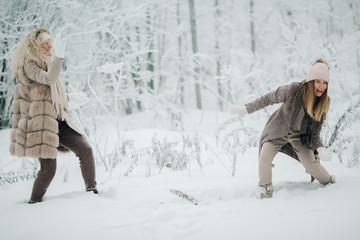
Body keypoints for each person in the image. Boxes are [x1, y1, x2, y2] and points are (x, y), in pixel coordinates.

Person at [10, 27, 97, 204]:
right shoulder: (30, 65)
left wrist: (70, 98)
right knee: (48, 169)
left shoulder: (49, 63)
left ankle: (92, 191)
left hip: (59, 120)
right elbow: (49, 79)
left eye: (51, 42)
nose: (50, 46)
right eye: (46, 43)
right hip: (41, 125)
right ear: (36, 46)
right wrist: (60, 56)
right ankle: (33, 203)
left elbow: (49, 93)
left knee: (86, 150)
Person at [230, 58, 336, 199]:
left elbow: (315, 133)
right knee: (264, 158)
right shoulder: (293, 90)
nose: (321, 86)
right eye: (318, 81)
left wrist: (320, 148)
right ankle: (264, 190)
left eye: (325, 83)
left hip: (300, 139)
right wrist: (246, 109)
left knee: (312, 166)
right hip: (277, 133)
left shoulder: (322, 103)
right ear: (311, 81)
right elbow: (268, 98)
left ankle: (330, 182)